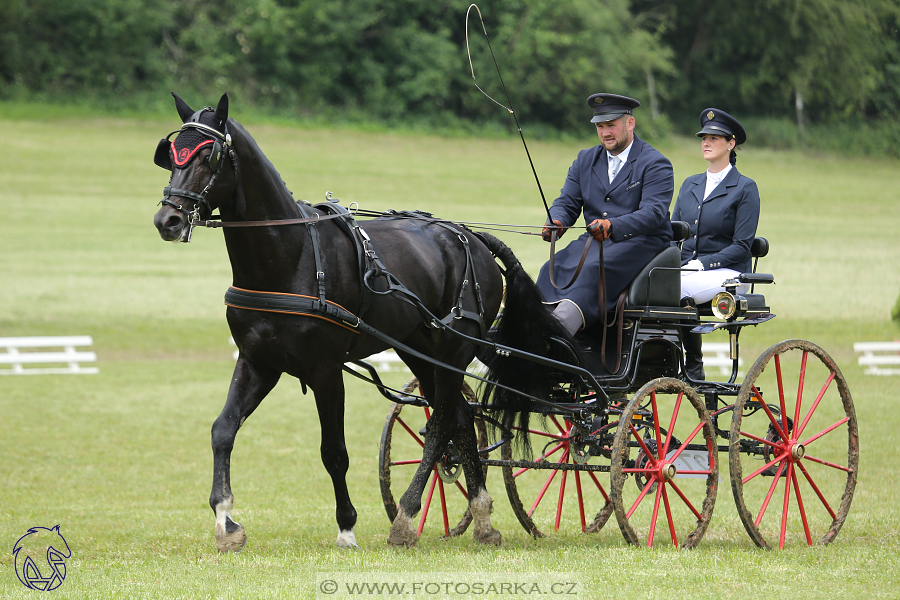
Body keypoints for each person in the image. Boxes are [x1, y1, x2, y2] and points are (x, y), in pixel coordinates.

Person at [536, 93, 674, 337]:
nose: (605, 132)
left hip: (641, 241)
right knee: (551, 267)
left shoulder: (655, 163)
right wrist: (557, 221)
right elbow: (567, 202)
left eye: (611, 125)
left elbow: (653, 213)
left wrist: (613, 225)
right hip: (595, 240)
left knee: (592, 269)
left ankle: (557, 334)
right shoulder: (585, 159)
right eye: (600, 126)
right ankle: (534, 324)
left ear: (629, 124)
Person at [672, 108, 760, 380]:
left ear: (731, 144)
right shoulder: (690, 184)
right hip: (688, 269)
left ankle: (693, 363)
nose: (706, 143)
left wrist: (704, 263)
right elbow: (673, 232)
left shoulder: (745, 188)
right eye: (704, 138)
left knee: (677, 286)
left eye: (714, 138)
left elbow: (742, 245)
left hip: (729, 273)